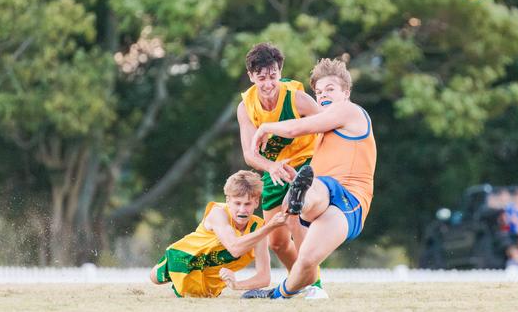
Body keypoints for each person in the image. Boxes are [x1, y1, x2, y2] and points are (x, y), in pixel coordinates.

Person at [243, 58, 376, 299]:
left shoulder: (348, 110)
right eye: (318, 91)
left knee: (317, 189)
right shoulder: (325, 132)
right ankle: (278, 295)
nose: (323, 95)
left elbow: (297, 128)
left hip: (350, 199)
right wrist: (296, 178)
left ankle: (301, 198)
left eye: (330, 89)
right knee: (305, 260)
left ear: (346, 92)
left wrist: (265, 128)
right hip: (325, 198)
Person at [236, 43, 320, 272]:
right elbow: (249, 154)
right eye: (261, 77)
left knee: (293, 213)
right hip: (275, 170)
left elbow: (327, 126)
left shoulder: (298, 99)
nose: (268, 83)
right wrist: (271, 166)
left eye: (273, 76)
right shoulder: (246, 108)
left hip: (306, 163)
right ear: (251, 76)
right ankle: (302, 282)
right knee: (277, 242)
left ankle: (316, 284)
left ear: (280, 73)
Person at [149, 170, 288, 297]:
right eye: (237, 203)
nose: (242, 210)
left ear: (256, 202)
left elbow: (264, 278)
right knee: (154, 279)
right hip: (184, 258)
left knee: (202, 297)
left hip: (210, 276)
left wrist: (237, 285)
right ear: (228, 201)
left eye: (247, 204)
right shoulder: (218, 213)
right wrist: (270, 227)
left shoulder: (258, 227)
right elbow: (235, 249)